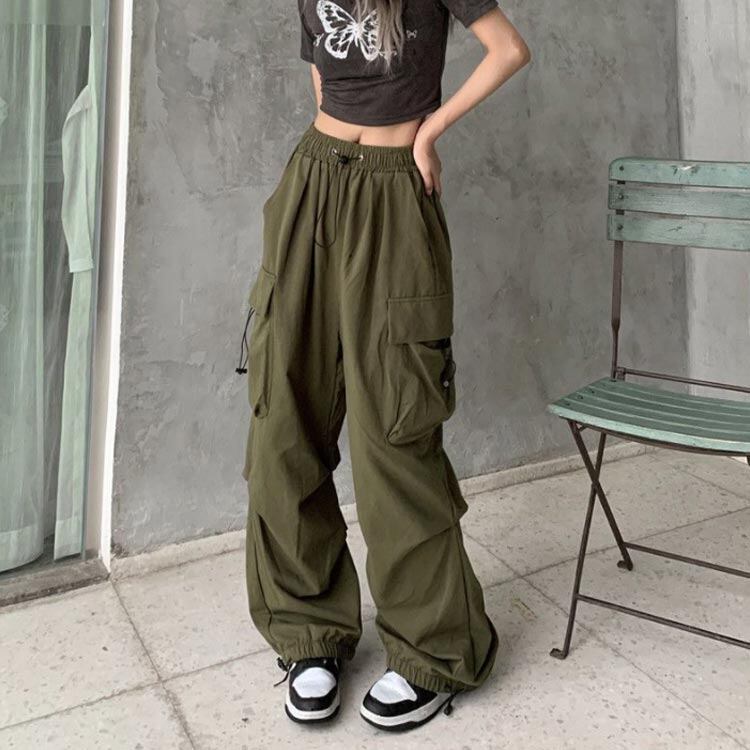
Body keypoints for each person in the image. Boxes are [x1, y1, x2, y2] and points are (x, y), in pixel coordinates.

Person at [238, 0, 530, 732]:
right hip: (312, 182)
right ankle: (309, 632)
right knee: (284, 414)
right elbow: (321, 74)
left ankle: (433, 651)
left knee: (396, 428)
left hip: (395, 189)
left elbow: (507, 49)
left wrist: (429, 131)